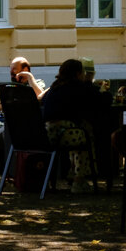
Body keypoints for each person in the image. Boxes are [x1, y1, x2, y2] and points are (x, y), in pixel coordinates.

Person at [39, 58, 110, 191]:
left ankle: (73, 172)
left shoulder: (55, 87)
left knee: (80, 129)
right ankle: (79, 179)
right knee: (86, 134)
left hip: (46, 133)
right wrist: (98, 87)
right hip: (62, 134)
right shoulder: (78, 86)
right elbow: (102, 100)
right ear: (78, 74)